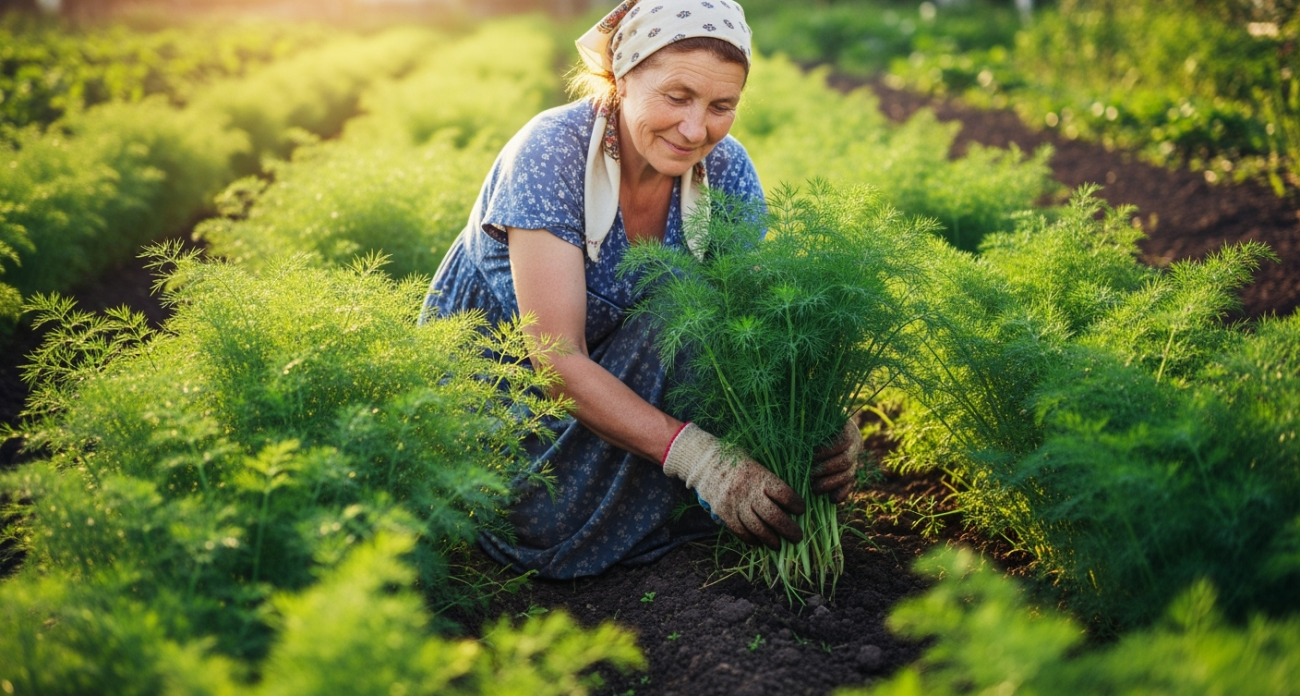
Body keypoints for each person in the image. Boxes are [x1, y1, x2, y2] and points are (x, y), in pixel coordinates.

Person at [422, 0, 862, 579]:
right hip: (517, 417)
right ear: (623, 78)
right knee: (676, 316)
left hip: (636, 398)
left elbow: (756, 324)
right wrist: (701, 459)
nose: (696, 129)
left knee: (777, 441)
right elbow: (557, 360)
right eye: (677, 96)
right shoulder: (550, 153)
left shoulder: (726, 169)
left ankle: (673, 505)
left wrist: (824, 411)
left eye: (721, 106)